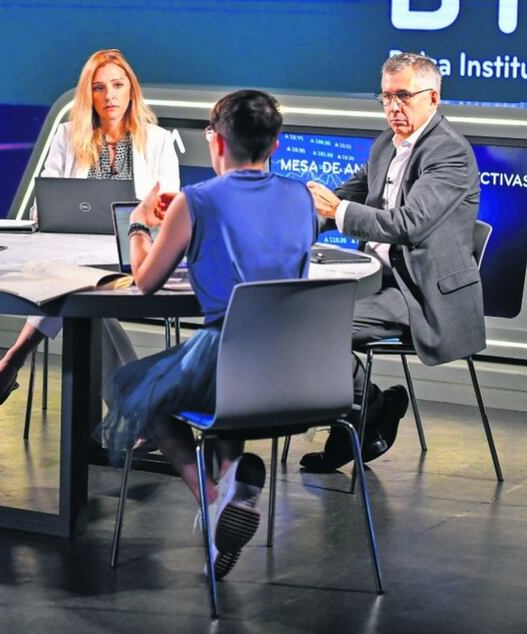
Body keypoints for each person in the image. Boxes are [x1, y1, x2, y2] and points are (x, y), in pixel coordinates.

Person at [103, 89, 316, 579]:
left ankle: (215, 499)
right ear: (275, 144)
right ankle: (230, 487)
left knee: (142, 392)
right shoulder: (302, 196)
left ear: (216, 142)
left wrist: (139, 226)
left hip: (230, 363)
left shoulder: (196, 201)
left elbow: (147, 281)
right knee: (200, 384)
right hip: (296, 369)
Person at [301, 52, 486, 473]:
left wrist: (338, 212)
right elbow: (348, 192)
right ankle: (370, 410)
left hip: (418, 290)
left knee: (313, 327)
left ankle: (360, 415)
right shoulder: (387, 142)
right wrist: (299, 222)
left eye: (403, 96)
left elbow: (409, 224)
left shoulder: (450, 154)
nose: (392, 108)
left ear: (432, 97)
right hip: (377, 278)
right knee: (299, 314)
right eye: (385, 98)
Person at [0, 48, 180, 404]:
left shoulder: (159, 140)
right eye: (99, 87)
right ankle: (137, 409)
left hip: (132, 255)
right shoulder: (68, 134)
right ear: (89, 95)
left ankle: (14, 357)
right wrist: (47, 214)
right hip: (71, 254)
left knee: (75, 293)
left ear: (131, 90)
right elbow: (47, 200)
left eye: (117, 85)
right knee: (83, 297)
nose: (110, 95)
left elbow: (168, 211)